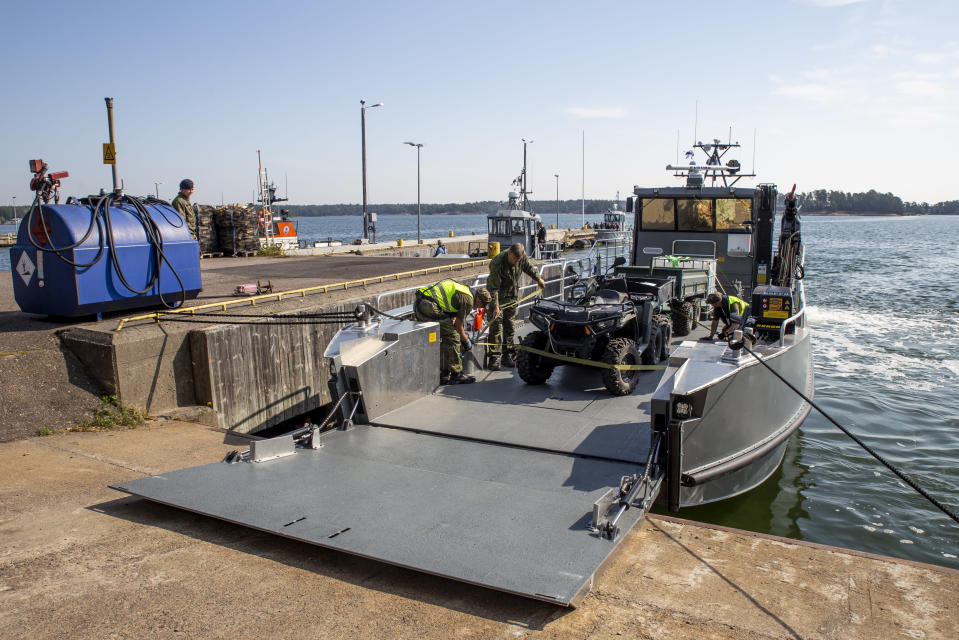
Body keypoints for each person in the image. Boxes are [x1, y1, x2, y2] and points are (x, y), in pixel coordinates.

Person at [414, 280, 491, 384]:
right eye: (482, 304)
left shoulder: (465, 290)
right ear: (479, 299)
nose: (480, 307)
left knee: (447, 337)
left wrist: (452, 318)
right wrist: (466, 341)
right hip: (428, 306)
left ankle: (444, 373)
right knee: (453, 337)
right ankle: (456, 374)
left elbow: (451, 306)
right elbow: (459, 327)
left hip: (421, 303)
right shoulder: (468, 300)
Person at [486, 243, 546, 370]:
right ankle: (494, 358)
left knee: (509, 326)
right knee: (496, 326)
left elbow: (528, 268)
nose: (514, 262)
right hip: (498, 298)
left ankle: (507, 355)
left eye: (517, 260)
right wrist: (495, 306)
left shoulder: (521, 258)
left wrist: (538, 279)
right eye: (513, 259)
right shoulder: (498, 262)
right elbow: (493, 288)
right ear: (509, 253)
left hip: (512, 297)